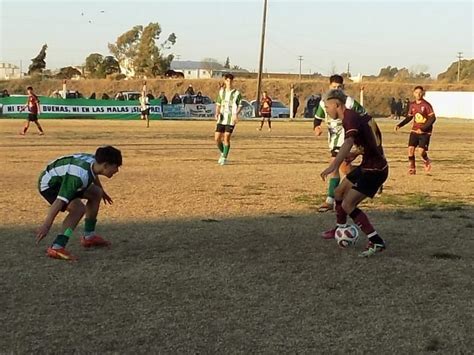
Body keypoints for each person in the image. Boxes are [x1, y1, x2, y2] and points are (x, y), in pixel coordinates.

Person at [320, 89, 388, 257]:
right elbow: (371, 140)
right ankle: (340, 229)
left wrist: (334, 165)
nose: (326, 111)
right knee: (339, 192)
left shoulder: (349, 118)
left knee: (348, 204)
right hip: (368, 165)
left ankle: (376, 241)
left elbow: (348, 141)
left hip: (375, 170)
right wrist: (357, 154)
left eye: (327, 107)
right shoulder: (355, 116)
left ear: (337, 105)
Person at [36, 146, 122, 261]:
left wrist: (102, 190)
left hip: (63, 178)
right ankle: (57, 246)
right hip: (51, 185)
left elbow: (94, 174)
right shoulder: (78, 176)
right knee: (78, 209)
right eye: (116, 166)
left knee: (97, 193)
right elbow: (59, 201)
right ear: (105, 165)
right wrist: (46, 225)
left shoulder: (94, 163)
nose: (117, 170)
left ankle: (89, 237)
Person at [313, 74, 368, 212]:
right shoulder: (324, 102)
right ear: (329, 86)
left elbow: (364, 115)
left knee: (335, 166)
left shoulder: (349, 102)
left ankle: (330, 200)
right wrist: (317, 126)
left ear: (343, 87)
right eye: (334, 87)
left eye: (339, 87)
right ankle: (369, 176)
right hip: (333, 139)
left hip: (346, 139)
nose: (337, 89)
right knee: (345, 169)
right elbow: (317, 117)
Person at [395, 86, 436, 174]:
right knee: (410, 149)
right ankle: (412, 169)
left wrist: (423, 128)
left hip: (425, 132)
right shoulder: (412, 105)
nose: (418, 94)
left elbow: (433, 118)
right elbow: (409, 117)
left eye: (420, 92)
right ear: (414, 93)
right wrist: (400, 125)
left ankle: (426, 160)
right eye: (417, 92)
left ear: (423, 94)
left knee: (421, 151)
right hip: (414, 131)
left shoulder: (426, 105)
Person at [215, 73, 242, 166]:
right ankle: (223, 153)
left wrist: (236, 114)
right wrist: (217, 112)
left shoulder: (236, 93)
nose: (229, 82)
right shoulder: (221, 92)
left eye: (231, 81)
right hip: (222, 118)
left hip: (230, 119)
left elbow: (240, 105)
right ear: (225, 81)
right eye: (227, 80)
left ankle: (224, 158)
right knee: (217, 139)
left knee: (226, 137)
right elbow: (218, 104)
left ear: (232, 81)